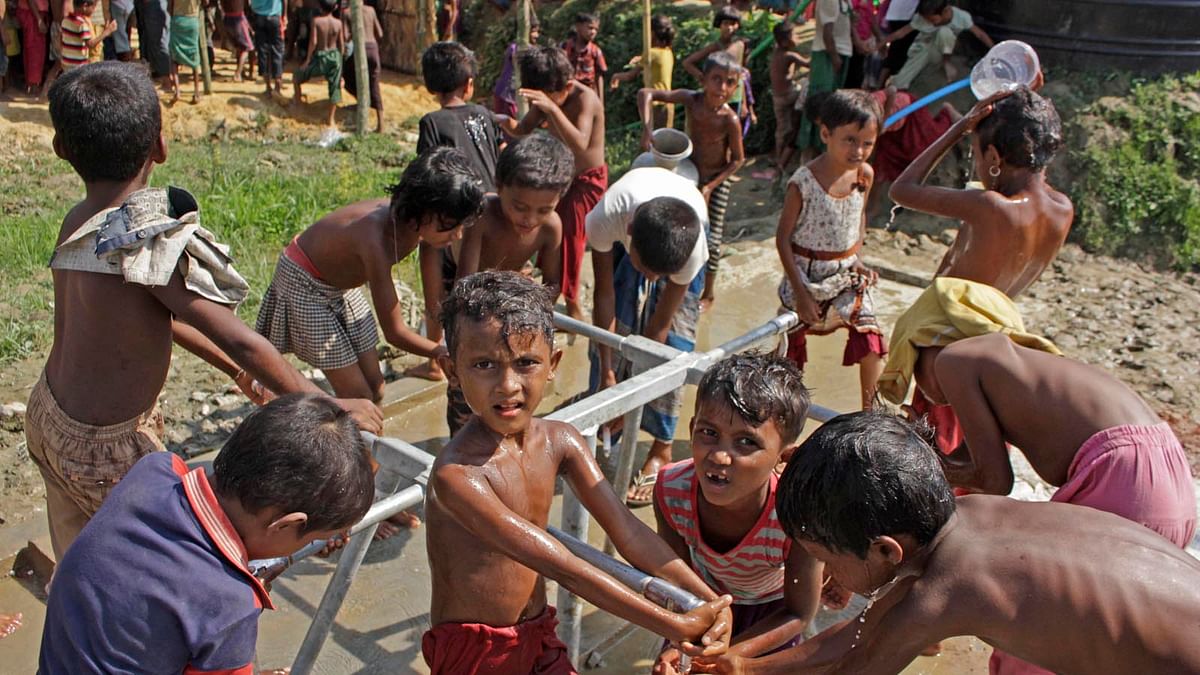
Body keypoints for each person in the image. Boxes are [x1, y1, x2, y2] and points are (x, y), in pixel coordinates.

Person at [31, 63, 381, 563]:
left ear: (61, 148)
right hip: (107, 449)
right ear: (160, 146)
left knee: (80, 553)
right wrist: (331, 406)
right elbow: (242, 339)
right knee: (163, 564)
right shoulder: (150, 242)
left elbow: (157, 319)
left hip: (51, 417)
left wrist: (238, 373)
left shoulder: (82, 222)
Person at [693, 411, 1200, 674]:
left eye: (827, 562)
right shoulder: (969, 516)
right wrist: (743, 666)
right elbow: (863, 633)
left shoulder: (942, 592)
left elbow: (856, 665)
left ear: (886, 551)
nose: (829, 579)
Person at [424, 271, 735, 674]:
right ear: (452, 369)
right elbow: (561, 566)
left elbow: (628, 530)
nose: (508, 385)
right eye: (484, 365)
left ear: (552, 364)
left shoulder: (561, 441)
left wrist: (709, 598)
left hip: (537, 630)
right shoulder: (458, 476)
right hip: (476, 650)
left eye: (525, 363)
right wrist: (673, 623)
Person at [38, 394, 376, 674]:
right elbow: (207, 597)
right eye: (310, 539)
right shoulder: (230, 606)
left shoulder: (154, 471)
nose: (311, 546)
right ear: (284, 525)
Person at [878, 278, 1196, 553]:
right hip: (1172, 487)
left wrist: (912, 459)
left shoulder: (955, 360)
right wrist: (933, 454)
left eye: (913, 369)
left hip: (1124, 480)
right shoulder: (1012, 373)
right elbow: (967, 467)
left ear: (928, 341)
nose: (921, 388)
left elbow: (995, 481)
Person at [889, 86, 1072, 455]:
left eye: (976, 153)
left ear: (992, 155)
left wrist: (959, 128)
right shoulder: (1061, 210)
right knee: (972, 460)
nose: (976, 164)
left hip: (949, 348)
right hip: (998, 343)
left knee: (929, 459)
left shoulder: (990, 206)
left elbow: (902, 189)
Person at [652, 353, 824, 674]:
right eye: (708, 433)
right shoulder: (670, 490)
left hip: (772, 613)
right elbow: (675, 586)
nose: (719, 456)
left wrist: (730, 655)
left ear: (783, 456)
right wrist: (680, 643)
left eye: (746, 442)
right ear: (691, 430)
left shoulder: (796, 516)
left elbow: (798, 612)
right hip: (703, 604)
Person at [421, 135, 573, 432]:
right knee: (468, 387)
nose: (530, 219)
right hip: (461, 282)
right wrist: (515, 281)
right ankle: (461, 440)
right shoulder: (482, 216)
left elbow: (553, 284)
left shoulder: (552, 227)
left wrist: (527, 296)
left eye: (543, 210)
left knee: (508, 386)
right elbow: (465, 285)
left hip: (503, 293)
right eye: (519, 207)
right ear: (498, 187)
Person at [584, 171, 710, 507]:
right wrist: (610, 373)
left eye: (660, 275)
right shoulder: (605, 218)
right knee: (619, 326)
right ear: (628, 237)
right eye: (646, 268)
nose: (652, 279)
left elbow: (658, 330)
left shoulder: (691, 250)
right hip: (635, 233)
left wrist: (634, 397)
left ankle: (661, 446)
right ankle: (605, 412)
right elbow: (604, 294)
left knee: (674, 349)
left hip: (683, 228)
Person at [776, 89, 887, 409]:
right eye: (850, 140)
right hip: (805, 276)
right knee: (787, 352)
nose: (859, 150)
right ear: (826, 134)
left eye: (867, 143)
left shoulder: (865, 175)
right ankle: (786, 414)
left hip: (845, 274)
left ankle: (872, 413)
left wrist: (859, 260)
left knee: (872, 335)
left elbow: (859, 220)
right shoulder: (803, 182)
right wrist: (801, 293)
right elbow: (782, 238)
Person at [497, 45, 607, 321]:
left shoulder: (585, 98)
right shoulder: (545, 100)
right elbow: (522, 130)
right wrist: (498, 120)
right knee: (549, 238)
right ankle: (548, 294)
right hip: (558, 179)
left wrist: (552, 110)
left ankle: (574, 310)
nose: (541, 105)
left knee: (571, 241)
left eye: (546, 99)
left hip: (586, 180)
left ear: (567, 85)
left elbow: (581, 143)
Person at [638, 51, 745, 311]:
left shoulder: (729, 119)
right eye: (716, 79)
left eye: (729, 82)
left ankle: (708, 293)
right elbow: (645, 94)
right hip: (688, 173)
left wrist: (710, 187)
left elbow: (738, 160)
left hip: (715, 181)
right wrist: (648, 129)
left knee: (712, 239)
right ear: (703, 79)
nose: (722, 88)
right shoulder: (691, 100)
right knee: (677, 227)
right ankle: (671, 278)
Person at [418, 41, 502, 192]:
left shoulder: (432, 122)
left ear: (429, 86)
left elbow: (426, 172)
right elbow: (503, 152)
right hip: (495, 201)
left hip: (461, 206)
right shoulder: (484, 113)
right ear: (469, 84)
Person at [865, 85, 958, 220]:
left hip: (908, 112)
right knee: (881, 166)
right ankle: (873, 207)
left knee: (925, 144)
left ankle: (947, 114)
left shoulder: (867, 109)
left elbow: (892, 90)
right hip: (889, 132)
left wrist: (884, 119)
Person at [883, 0, 992, 91]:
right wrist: (880, 44)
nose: (932, 23)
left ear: (945, 11)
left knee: (945, 32)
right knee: (898, 82)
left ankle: (946, 62)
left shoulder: (962, 17)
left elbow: (980, 34)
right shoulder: (921, 18)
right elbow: (901, 33)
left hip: (941, 50)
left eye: (933, 20)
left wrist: (994, 49)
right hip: (922, 50)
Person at [683, 6, 754, 133]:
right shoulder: (715, 47)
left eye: (733, 24)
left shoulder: (740, 45)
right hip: (717, 96)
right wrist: (702, 78)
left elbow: (740, 76)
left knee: (734, 133)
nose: (729, 28)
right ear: (719, 25)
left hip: (735, 97)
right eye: (725, 24)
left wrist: (745, 104)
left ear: (738, 25)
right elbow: (688, 63)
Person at [796, 0, 853, 159]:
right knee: (821, 102)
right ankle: (810, 149)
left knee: (832, 103)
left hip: (840, 53)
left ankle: (823, 148)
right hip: (827, 54)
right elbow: (827, 31)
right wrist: (834, 58)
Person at [610, 13, 675, 129]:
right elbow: (655, 61)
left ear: (653, 33)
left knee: (653, 141)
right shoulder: (668, 52)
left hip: (656, 103)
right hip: (668, 102)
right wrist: (641, 58)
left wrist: (616, 76)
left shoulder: (651, 53)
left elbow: (630, 76)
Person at [292, 0, 344, 130]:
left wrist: (308, 60)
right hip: (334, 57)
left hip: (321, 56)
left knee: (296, 77)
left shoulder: (317, 21)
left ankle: (298, 106)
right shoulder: (338, 23)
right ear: (335, 7)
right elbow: (341, 45)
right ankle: (330, 120)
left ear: (320, 7)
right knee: (335, 88)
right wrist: (340, 65)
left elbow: (313, 42)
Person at [766, 21, 809, 177]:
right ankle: (786, 158)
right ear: (785, 41)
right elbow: (808, 64)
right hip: (789, 96)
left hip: (777, 97)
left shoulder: (776, 52)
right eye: (795, 35)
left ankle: (779, 157)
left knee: (782, 129)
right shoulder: (789, 55)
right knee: (805, 89)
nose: (797, 37)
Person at [340, 0, 384, 132]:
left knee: (346, 75)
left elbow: (345, 36)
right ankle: (380, 123)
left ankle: (363, 101)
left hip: (361, 49)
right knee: (374, 84)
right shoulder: (371, 10)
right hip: (373, 48)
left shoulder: (348, 13)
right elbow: (380, 33)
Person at [492, 11, 539, 122]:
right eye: (533, 31)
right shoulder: (515, 49)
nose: (536, 35)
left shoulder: (532, 49)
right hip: (507, 96)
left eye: (538, 31)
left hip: (515, 97)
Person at [562, 11, 606, 102]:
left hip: (587, 95)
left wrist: (600, 101)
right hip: (567, 95)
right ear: (578, 27)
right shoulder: (565, 47)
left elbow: (599, 76)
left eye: (596, 29)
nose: (593, 32)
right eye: (590, 28)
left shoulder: (595, 51)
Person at [60, 0, 115, 73]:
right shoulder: (82, 25)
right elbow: (91, 44)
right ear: (85, 6)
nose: (93, 10)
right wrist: (106, 32)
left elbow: (61, 39)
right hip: (78, 65)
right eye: (93, 7)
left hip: (66, 62)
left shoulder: (65, 20)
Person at [167, 0, 204, 104]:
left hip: (178, 20)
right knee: (194, 56)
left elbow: (169, 7)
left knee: (174, 58)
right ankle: (196, 92)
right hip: (192, 20)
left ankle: (177, 91)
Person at [250, 0, 284, 96]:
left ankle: (268, 87)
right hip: (274, 16)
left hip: (259, 16)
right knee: (277, 51)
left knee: (262, 52)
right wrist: (285, 15)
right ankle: (277, 86)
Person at [15, 0, 49, 94]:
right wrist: (39, 19)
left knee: (32, 49)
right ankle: (33, 85)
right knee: (35, 51)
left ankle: (31, 83)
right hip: (33, 14)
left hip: (34, 12)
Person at [220, 0, 254, 81]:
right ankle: (238, 73)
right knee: (247, 48)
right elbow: (247, 5)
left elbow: (222, 4)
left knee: (239, 47)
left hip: (227, 18)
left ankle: (240, 71)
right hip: (238, 18)